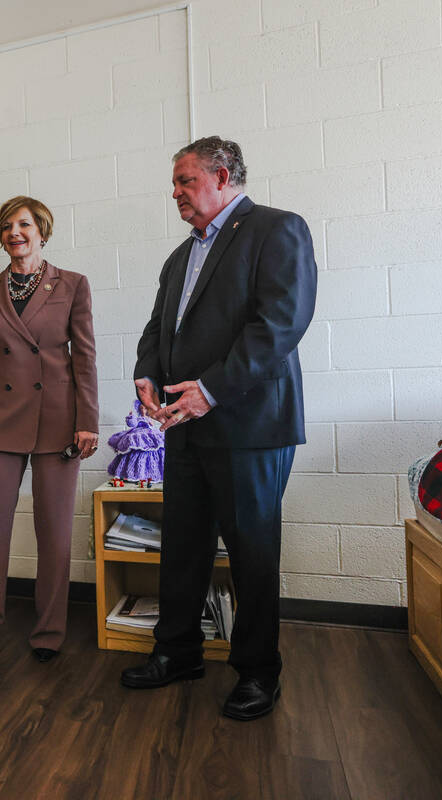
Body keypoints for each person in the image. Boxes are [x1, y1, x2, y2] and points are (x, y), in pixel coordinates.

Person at [121, 137, 316, 720]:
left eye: (184, 181)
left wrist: (208, 390)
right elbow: (159, 328)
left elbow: (280, 325)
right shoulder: (181, 256)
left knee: (252, 554)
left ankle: (258, 672)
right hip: (182, 424)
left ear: (222, 174)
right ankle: (177, 652)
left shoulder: (277, 230)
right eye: (175, 183)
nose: (175, 193)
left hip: (249, 425)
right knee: (181, 547)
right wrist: (147, 376)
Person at [0, 195, 99, 663]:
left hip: (58, 421)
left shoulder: (73, 285)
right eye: (6, 226)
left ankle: (49, 628)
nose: (14, 233)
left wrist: (88, 422)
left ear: (42, 231)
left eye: (23, 224)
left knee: (54, 529)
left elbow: (84, 358)